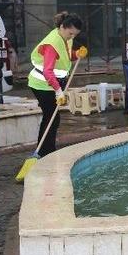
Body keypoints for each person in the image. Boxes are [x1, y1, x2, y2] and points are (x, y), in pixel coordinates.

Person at [27, 12, 87, 156]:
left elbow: (65, 56)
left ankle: (46, 150)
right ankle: (44, 151)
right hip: (41, 84)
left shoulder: (65, 37)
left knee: (52, 117)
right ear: (62, 27)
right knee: (51, 116)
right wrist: (58, 91)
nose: (72, 37)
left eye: (75, 35)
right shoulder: (52, 43)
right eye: (70, 33)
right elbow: (48, 71)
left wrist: (77, 54)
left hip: (51, 83)